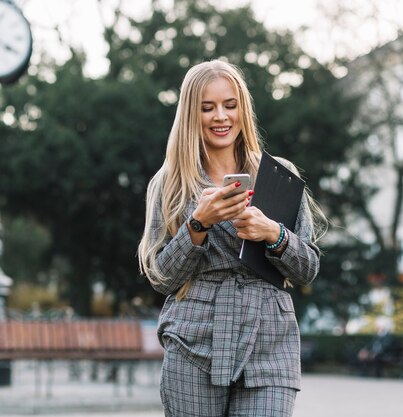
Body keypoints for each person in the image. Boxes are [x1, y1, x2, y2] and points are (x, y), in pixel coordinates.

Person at [137, 60, 325, 417]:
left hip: (269, 341)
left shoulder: (278, 174)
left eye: (230, 105)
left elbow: (308, 269)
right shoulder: (171, 183)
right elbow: (161, 277)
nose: (220, 117)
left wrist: (275, 234)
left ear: (243, 108)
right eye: (207, 108)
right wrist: (198, 224)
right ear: (192, 114)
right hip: (194, 341)